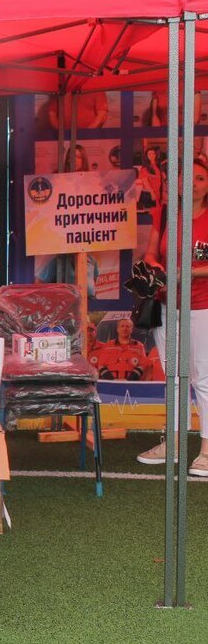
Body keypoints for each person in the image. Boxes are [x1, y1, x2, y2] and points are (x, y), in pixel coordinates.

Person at [136, 157, 208, 476]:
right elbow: (151, 253)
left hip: (202, 308)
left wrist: (190, 273)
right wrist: (155, 268)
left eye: (200, 177)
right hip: (167, 306)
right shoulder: (165, 214)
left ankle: (206, 450)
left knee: (203, 379)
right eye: (186, 177)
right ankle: (174, 444)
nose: (193, 182)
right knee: (172, 378)